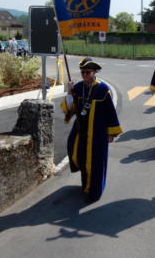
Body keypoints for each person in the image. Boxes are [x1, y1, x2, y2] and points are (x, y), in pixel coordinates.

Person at [61, 57, 122, 203]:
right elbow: (70, 109)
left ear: (94, 72)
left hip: (98, 133)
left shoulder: (102, 89)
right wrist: (69, 92)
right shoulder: (78, 87)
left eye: (88, 72)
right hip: (81, 131)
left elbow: (110, 112)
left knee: (96, 162)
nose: (85, 75)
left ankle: (95, 191)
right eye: (83, 72)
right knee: (81, 157)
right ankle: (85, 186)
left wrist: (111, 133)